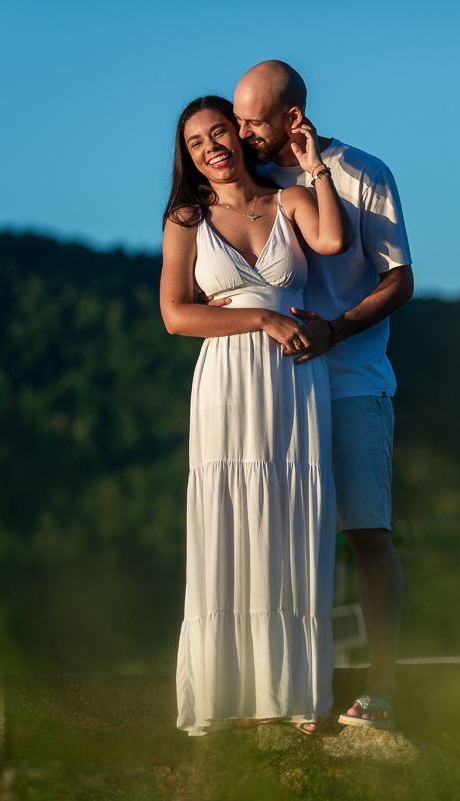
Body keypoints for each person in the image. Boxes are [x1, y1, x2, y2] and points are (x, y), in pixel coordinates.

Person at [216, 60, 413, 729]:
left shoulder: (365, 173)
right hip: (276, 386)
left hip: (353, 380)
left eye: (251, 120)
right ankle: (296, 690)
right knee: (283, 539)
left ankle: (381, 689)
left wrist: (337, 331)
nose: (240, 133)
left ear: (292, 118)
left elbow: (399, 280)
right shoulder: (255, 180)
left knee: (365, 534)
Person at [160, 95, 351, 736]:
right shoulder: (187, 219)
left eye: (220, 133)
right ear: (186, 156)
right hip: (227, 381)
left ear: (240, 137)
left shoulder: (286, 199)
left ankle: (292, 691)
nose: (211, 148)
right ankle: (223, 693)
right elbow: (178, 314)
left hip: (293, 380)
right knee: (230, 520)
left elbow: (333, 238)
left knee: (291, 518)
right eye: (195, 143)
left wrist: (311, 162)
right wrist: (262, 316)